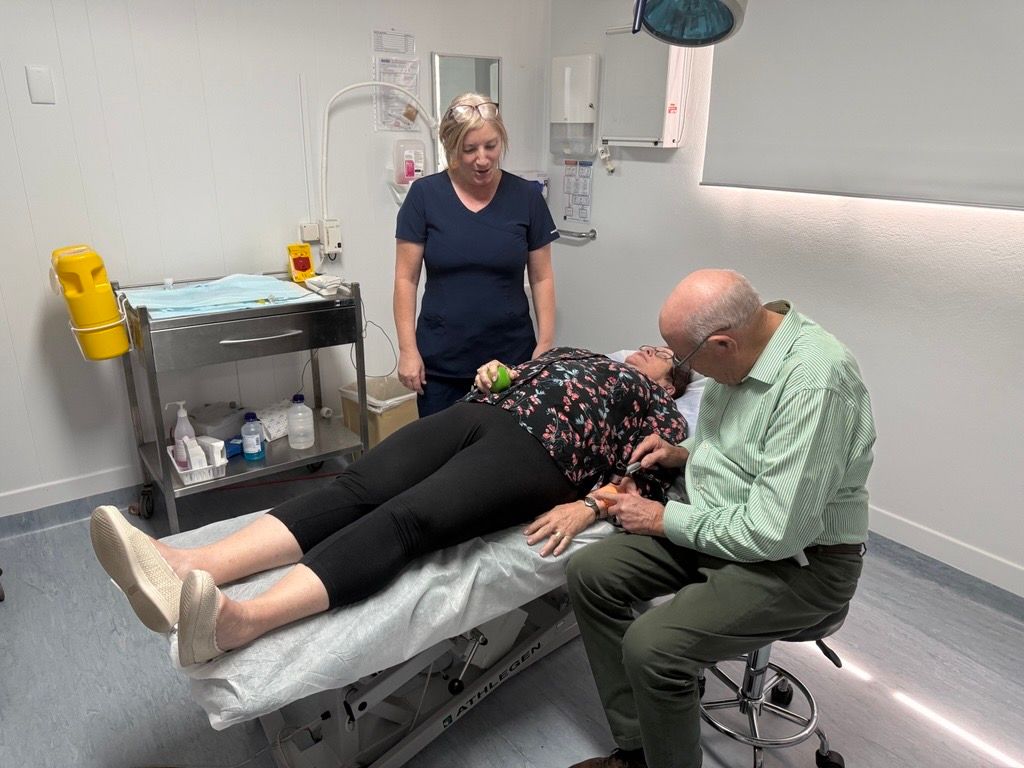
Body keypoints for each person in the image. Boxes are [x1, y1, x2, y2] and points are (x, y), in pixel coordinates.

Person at [89, 345, 689, 667]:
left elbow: (644, 481)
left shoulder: (659, 410)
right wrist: (498, 375)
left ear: (672, 383)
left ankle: (242, 623)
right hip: (477, 414)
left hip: (541, 459)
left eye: (658, 353)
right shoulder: (577, 354)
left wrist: (587, 505)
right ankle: (194, 563)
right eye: (641, 345)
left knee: (406, 520)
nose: (642, 352)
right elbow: (512, 377)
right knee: (353, 487)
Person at [565, 269, 876, 768]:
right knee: (591, 574)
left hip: (801, 564)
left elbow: (777, 531)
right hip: (722, 524)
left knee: (653, 647)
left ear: (723, 344)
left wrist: (663, 519)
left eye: (685, 358)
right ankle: (640, 749)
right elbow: (736, 448)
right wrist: (681, 452)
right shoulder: (748, 351)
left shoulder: (817, 384)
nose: (686, 369)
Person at [394, 92, 559, 417]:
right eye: (469, 149)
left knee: (504, 457)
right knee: (444, 457)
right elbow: (405, 278)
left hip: (510, 363)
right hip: (441, 364)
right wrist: (407, 349)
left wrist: (545, 344)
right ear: (452, 147)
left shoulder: (526, 197)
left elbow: (542, 277)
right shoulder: (424, 196)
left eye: (490, 146)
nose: (482, 159)